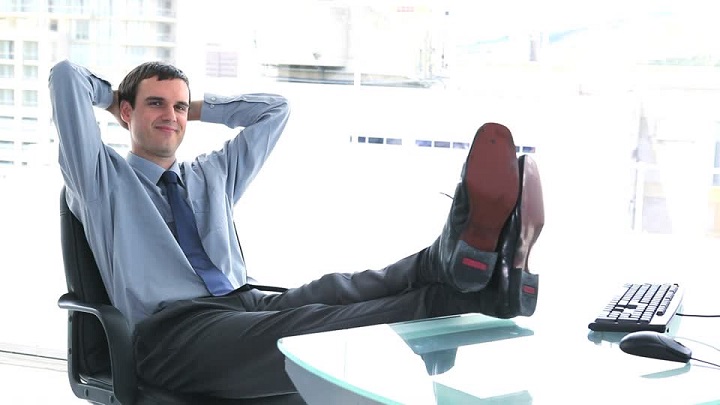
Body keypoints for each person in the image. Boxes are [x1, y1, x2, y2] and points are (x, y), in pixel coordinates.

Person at [49, 59, 543, 400]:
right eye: (156, 104)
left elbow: (274, 110)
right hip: (171, 334)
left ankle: (456, 267)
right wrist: (118, 97)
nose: (171, 116)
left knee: (338, 289)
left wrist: (193, 107)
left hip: (243, 302)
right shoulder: (100, 180)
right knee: (308, 327)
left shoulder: (210, 174)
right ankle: (465, 297)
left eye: (179, 108)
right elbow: (65, 76)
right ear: (127, 113)